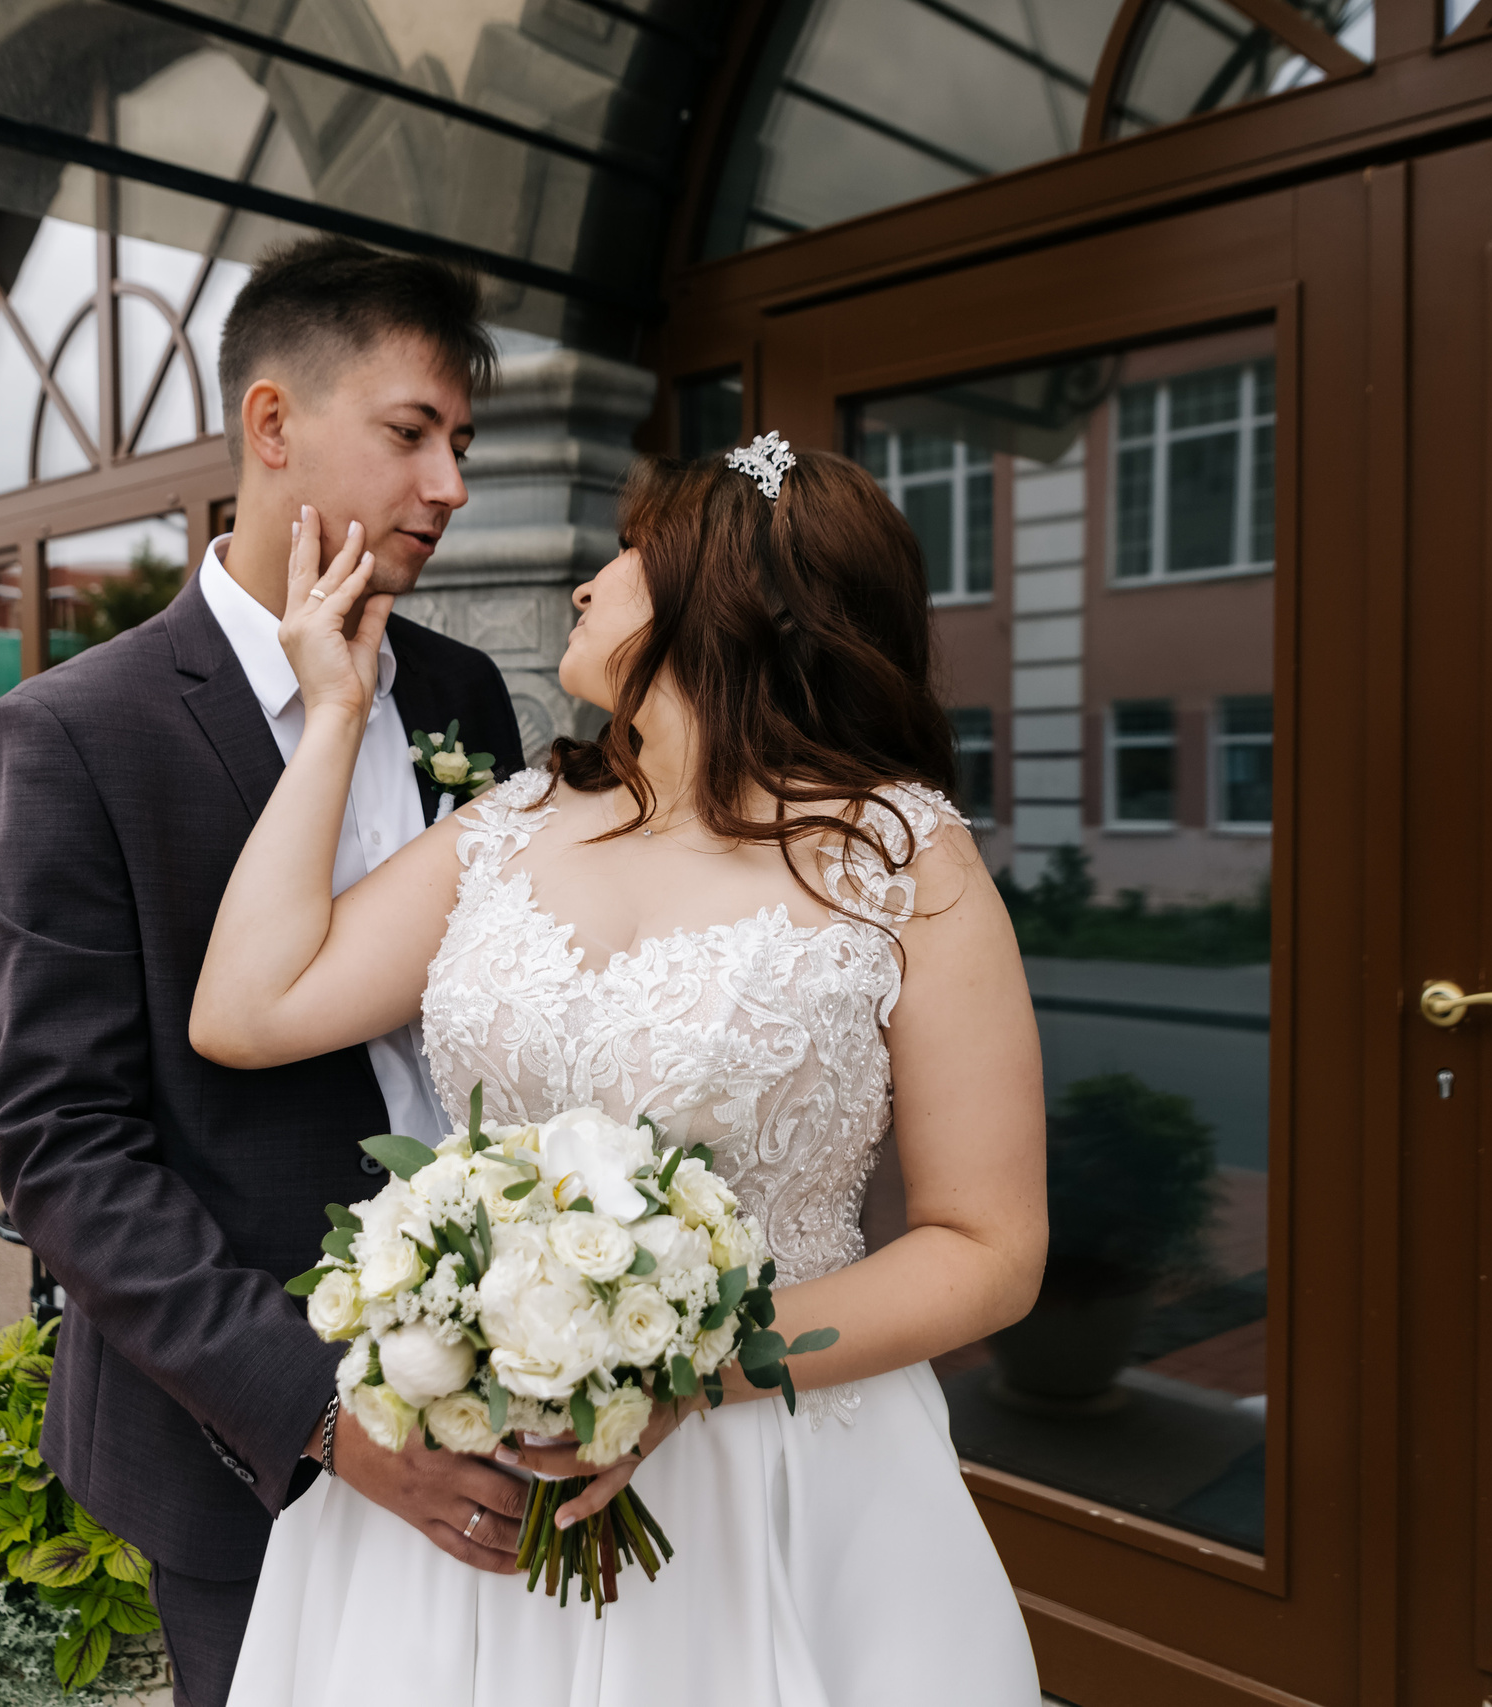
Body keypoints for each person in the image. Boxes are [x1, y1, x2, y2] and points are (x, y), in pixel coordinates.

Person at [189, 436, 1049, 1702]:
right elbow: (247, 1010)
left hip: (777, 1469)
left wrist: (688, 1377)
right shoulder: (513, 821)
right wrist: (335, 715)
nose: (588, 583)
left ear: (729, 597)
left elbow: (990, 1248)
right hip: (481, 1467)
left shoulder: (900, 858)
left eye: (633, 554)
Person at [0, 235, 533, 1707]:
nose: (449, 485)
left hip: (512, 1390)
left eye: (463, 444)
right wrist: (323, 1416)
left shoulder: (463, 693)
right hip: (251, 1448)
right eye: (411, 432)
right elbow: (62, 1148)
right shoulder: (75, 734)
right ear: (272, 424)